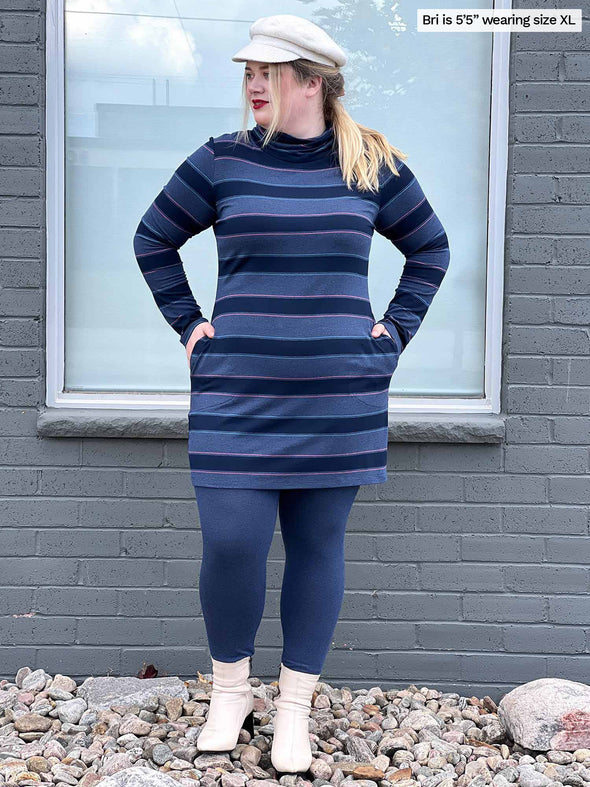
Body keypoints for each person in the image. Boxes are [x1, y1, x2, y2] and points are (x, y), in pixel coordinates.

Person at [133, 13, 450, 776]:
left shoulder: (370, 166)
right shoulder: (221, 162)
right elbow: (153, 238)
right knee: (233, 543)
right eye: (247, 72)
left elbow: (430, 248)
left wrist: (391, 336)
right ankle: (232, 691)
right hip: (235, 396)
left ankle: (295, 708)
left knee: (317, 547)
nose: (250, 86)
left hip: (339, 400)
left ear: (312, 80)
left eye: (265, 74)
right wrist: (190, 325)